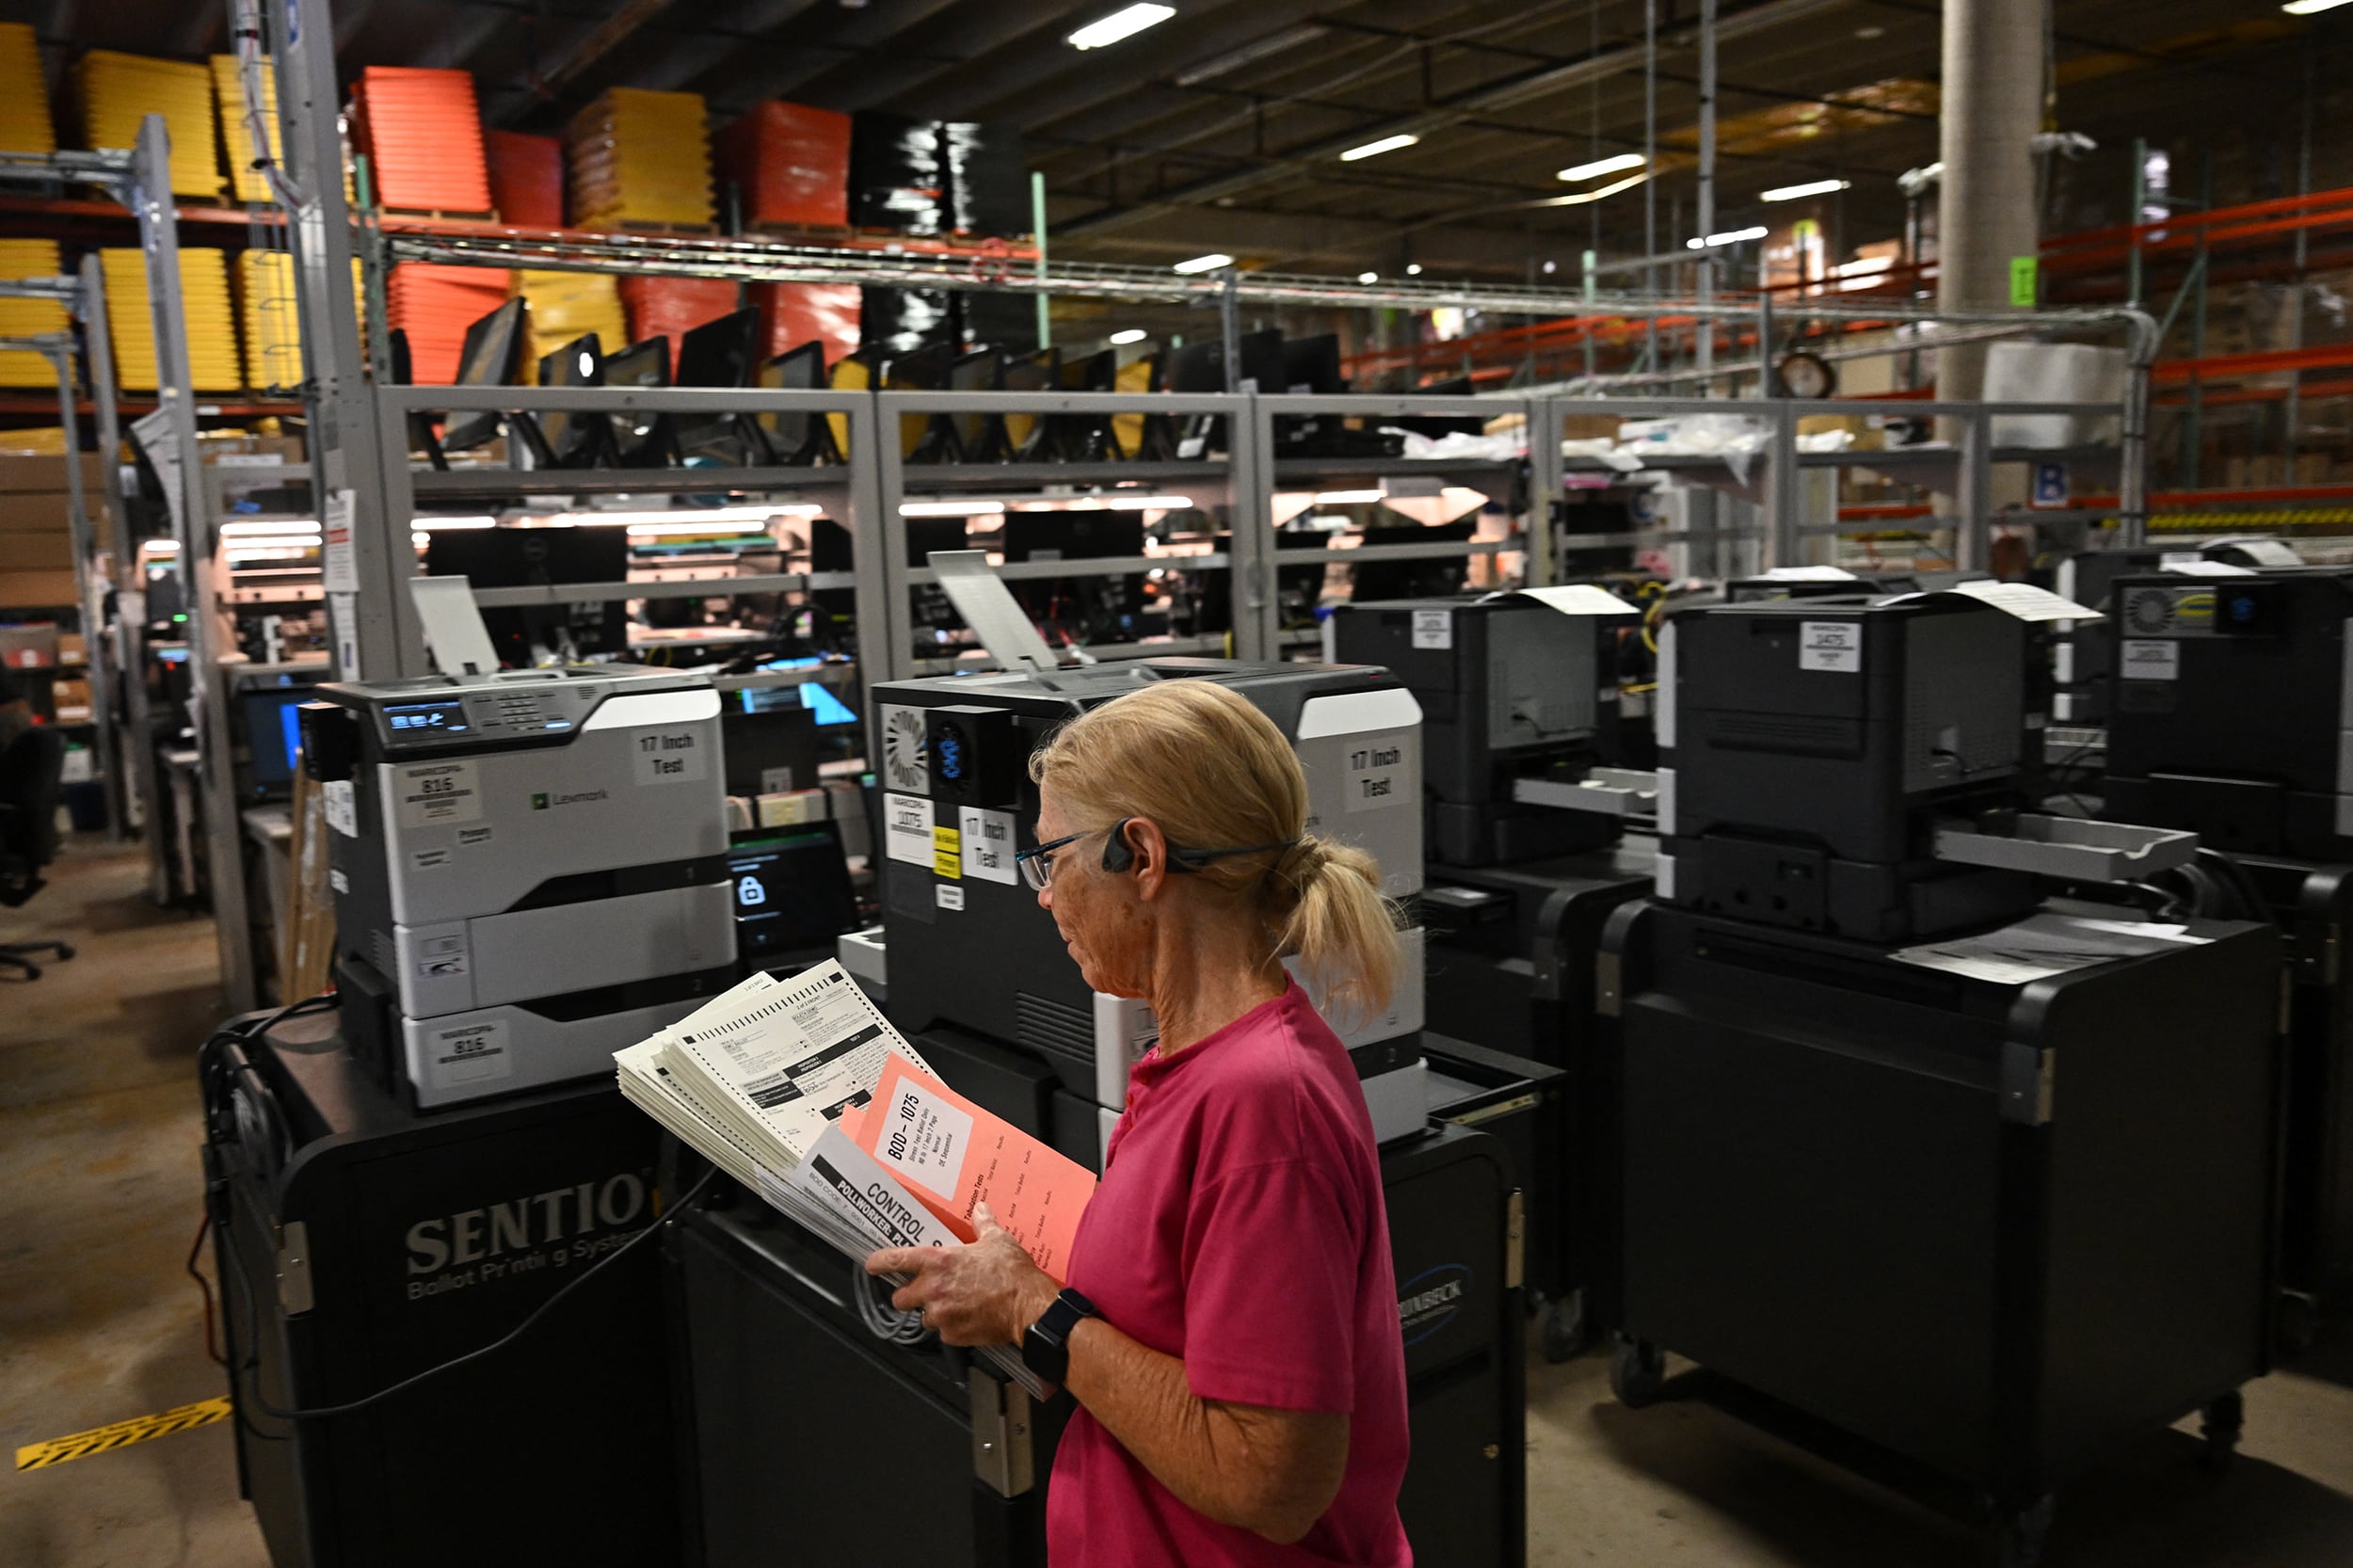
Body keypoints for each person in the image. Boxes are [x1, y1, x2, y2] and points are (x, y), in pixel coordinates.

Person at [868, 678, 1412, 1567]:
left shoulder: (1261, 1104)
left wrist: (1032, 1309)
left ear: (1143, 855)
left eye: (1054, 860)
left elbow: (1270, 1483)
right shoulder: (1189, 1063)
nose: (1043, 896)